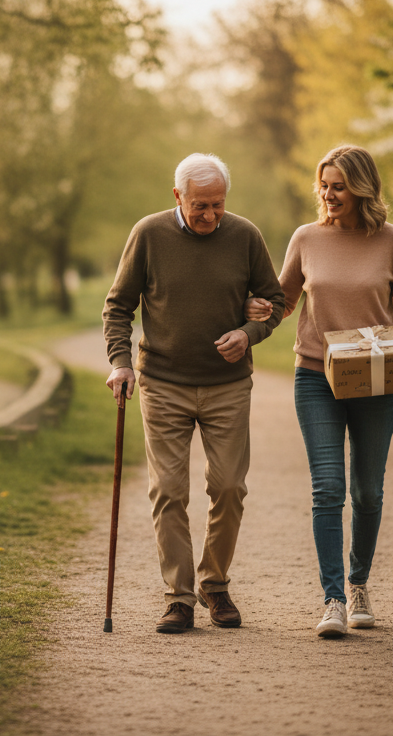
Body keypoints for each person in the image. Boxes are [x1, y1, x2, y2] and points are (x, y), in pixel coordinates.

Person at [104, 153, 285, 634]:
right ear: (177, 196)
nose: (210, 216)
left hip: (228, 386)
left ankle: (215, 583)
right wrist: (121, 363)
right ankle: (179, 597)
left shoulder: (245, 235)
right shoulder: (149, 234)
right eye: (200, 206)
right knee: (168, 489)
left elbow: (278, 301)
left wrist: (249, 332)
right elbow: (118, 306)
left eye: (218, 205)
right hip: (163, 383)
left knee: (228, 486)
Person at [247, 144, 393, 638]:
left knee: (367, 492)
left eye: (338, 185)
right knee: (328, 489)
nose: (328, 194)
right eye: (323, 185)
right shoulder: (306, 238)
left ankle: (359, 583)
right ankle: (333, 599)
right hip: (315, 376)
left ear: (362, 188)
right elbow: (282, 300)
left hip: (377, 377)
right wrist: (259, 310)